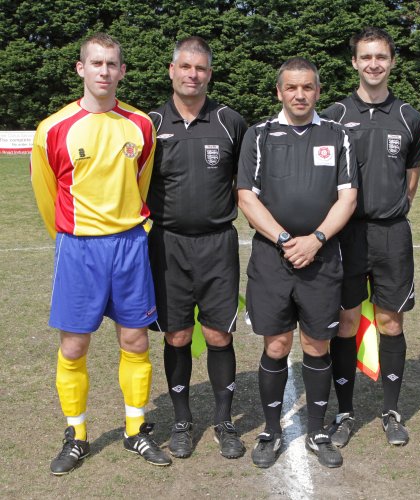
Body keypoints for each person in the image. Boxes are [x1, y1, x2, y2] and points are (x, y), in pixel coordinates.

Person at [30, 33, 171, 475]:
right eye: (96, 64)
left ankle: (135, 430)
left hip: (129, 245)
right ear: (81, 69)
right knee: (74, 346)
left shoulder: (141, 126)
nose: (105, 72)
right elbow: (46, 194)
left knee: (135, 341)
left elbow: (142, 182)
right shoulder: (53, 128)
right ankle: (77, 435)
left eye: (112, 64)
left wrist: (126, 224)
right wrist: (75, 237)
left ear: (122, 71)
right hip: (79, 250)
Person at [237, 57, 358, 469]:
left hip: (322, 258)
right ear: (279, 92)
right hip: (273, 257)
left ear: (318, 92)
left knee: (317, 343)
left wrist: (318, 239)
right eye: (291, 87)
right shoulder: (259, 135)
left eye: (307, 87)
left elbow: (348, 197)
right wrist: (287, 240)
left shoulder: (338, 134)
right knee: (276, 343)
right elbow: (246, 198)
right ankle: (271, 430)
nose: (300, 94)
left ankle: (318, 430)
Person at [321, 27, 420, 448]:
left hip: (391, 235)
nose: (373, 64)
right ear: (354, 62)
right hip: (345, 235)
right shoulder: (333, 115)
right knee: (345, 323)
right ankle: (344, 412)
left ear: (392, 61)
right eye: (365, 57)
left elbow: (412, 177)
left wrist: (393, 209)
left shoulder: (409, 117)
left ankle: (391, 411)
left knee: (390, 320)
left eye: (381, 56)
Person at [146, 36, 247, 460]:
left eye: (201, 68)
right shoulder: (147, 124)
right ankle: (182, 420)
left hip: (217, 243)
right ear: (171, 70)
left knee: (218, 333)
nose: (193, 74)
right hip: (166, 243)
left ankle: (224, 421)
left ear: (209, 73)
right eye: (185, 66)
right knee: (177, 333)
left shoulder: (230, 122)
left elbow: (247, 185)